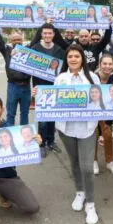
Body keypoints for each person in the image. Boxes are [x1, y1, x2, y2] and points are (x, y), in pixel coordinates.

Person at [35, 44, 100, 224]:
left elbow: (102, 100)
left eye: (76, 56)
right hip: (67, 129)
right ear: (67, 59)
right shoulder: (61, 78)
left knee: (87, 168)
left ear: (82, 59)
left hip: (87, 129)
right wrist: (39, 95)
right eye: (70, 56)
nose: (73, 59)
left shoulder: (92, 77)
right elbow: (52, 100)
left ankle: (91, 204)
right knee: (75, 163)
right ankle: (80, 192)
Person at [29, 23, 65, 156]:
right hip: (40, 89)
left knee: (52, 118)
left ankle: (51, 141)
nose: (48, 35)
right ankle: (42, 143)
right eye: (45, 33)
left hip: (55, 89)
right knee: (43, 119)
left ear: (54, 35)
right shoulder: (35, 49)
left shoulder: (59, 50)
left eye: (50, 33)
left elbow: (62, 69)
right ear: (41, 34)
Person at [0, 28, 32, 127]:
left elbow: (37, 38)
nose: (17, 42)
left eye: (19, 39)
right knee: (10, 114)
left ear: (22, 41)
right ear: (10, 41)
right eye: (14, 40)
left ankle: (24, 138)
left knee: (25, 114)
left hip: (26, 87)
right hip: (13, 87)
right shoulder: (7, 51)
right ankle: (10, 138)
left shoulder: (28, 51)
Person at [40, 19, 113, 72]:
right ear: (78, 37)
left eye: (86, 36)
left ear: (89, 37)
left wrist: (109, 26)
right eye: (81, 36)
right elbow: (60, 41)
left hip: (91, 77)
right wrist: (51, 25)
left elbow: (106, 40)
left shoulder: (95, 47)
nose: (84, 38)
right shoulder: (73, 47)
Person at [94, 54, 113, 175]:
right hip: (93, 111)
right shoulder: (93, 77)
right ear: (100, 65)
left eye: (110, 64)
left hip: (107, 113)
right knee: (93, 137)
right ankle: (93, 160)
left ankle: (109, 161)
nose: (107, 66)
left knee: (108, 135)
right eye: (104, 63)